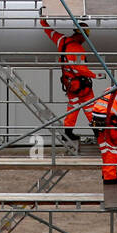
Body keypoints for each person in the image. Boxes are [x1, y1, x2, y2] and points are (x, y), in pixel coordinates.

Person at [39, 13, 97, 145]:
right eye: (85, 37)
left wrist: (43, 21)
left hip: (70, 84)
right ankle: (98, 132)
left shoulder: (62, 40)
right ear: (82, 35)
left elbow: (50, 32)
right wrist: (95, 75)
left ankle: (68, 133)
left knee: (73, 107)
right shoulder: (78, 50)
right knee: (90, 108)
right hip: (82, 85)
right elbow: (79, 69)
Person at [90, 71, 117, 183]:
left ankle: (106, 173)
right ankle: (110, 177)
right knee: (112, 150)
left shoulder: (110, 88)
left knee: (105, 149)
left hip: (97, 121)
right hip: (109, 123)